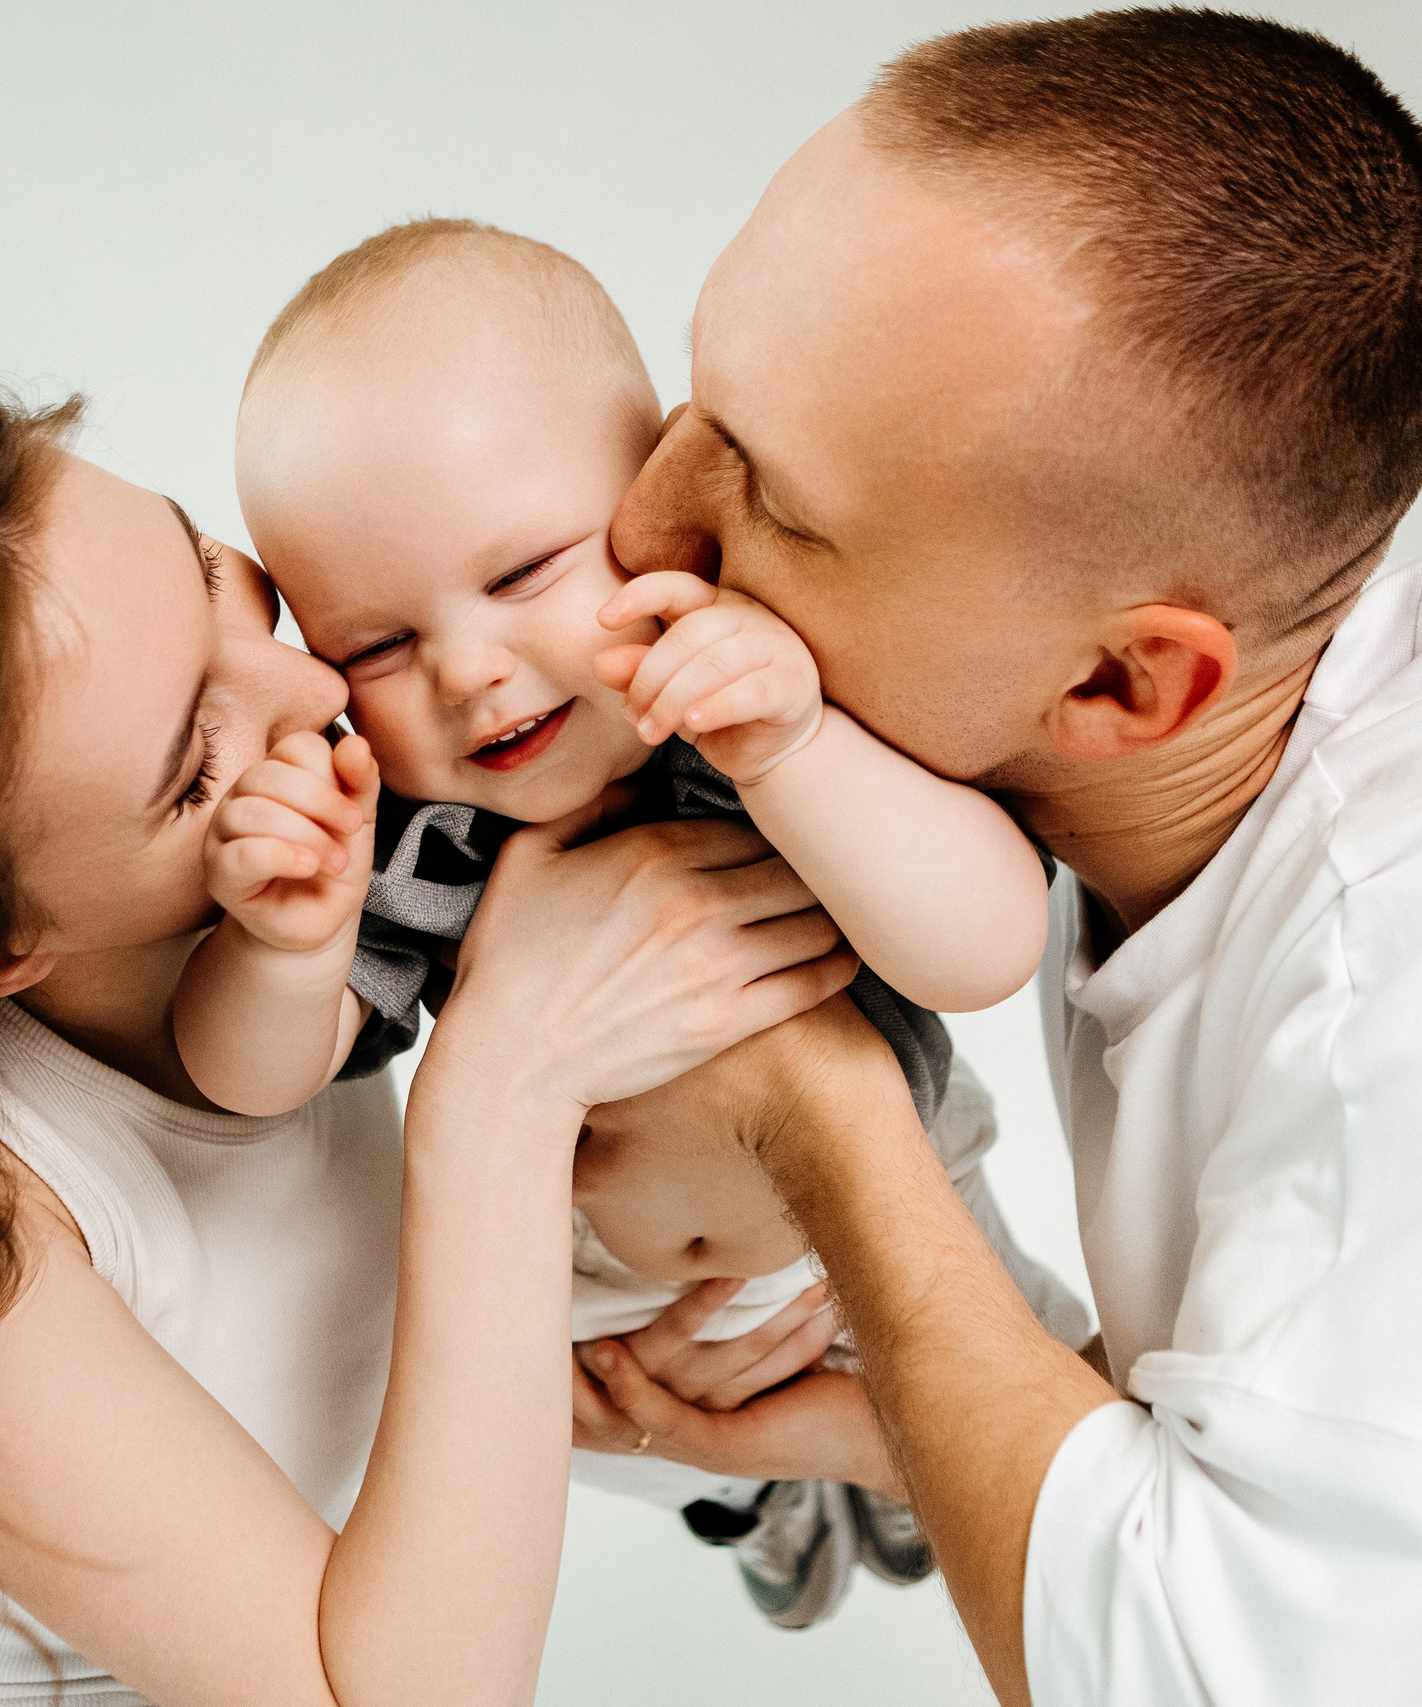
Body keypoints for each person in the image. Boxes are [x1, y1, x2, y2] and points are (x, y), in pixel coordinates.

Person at [0, 358, 857, 1707]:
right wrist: (501, 1080)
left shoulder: (279, 870)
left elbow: (292, 1311)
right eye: (196, 765)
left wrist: (607, 1394)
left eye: (203, 565)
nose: (313, 691)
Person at [575, 10, 1422, 1705]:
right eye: (696, 399)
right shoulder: (1181, 741)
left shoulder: (1376, 1003)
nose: (642, 528)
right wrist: (912, 1416)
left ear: (1117, 684)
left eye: (776, 507)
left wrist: (817, 1104)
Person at [193, 218, 1085, 1625]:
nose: (471, 672)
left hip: (911, 1217)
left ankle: (866, 1473)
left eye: (523, 571)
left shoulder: (766, 708)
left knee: (1069, 1439)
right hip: (607, 1298)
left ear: (665, 500)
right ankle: (753, 1496)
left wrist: (793, 747)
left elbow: (983, 950)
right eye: (375, 644)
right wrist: (278, 946)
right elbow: (246, 1083)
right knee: (523, 1428)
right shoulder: (417, 839)